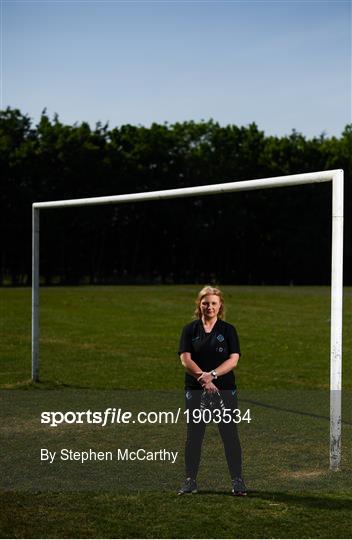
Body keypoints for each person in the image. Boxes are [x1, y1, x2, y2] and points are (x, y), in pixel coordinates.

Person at [177, 285, 246, 496]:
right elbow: (185, 359)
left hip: (224, 388)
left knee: (229, 434)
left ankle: (237, 481)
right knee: (194, 435)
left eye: (214, 303)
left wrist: (212, 375)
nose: (209, 307)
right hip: (196, 389)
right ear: (199, 304)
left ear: (220, 305)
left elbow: (233, 359)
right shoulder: (190, 330)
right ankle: (190, 481)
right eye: (205, 302)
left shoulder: (228, 330)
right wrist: (202, 378)